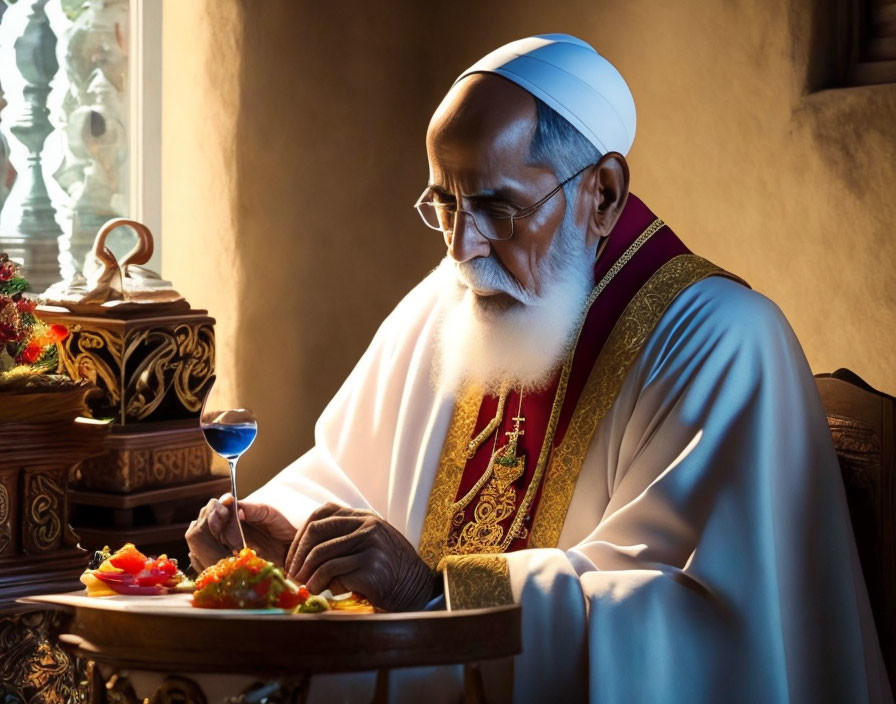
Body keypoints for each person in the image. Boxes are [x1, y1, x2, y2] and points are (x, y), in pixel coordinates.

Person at [186, 34, 891, 703]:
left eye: (496, 207)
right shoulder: (448, 301)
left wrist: (444, 591)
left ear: (603, 193)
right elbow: (346, 473)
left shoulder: (721, 339)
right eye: (444, 203)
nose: (464, 247)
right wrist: (285, 538)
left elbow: (693, 627)